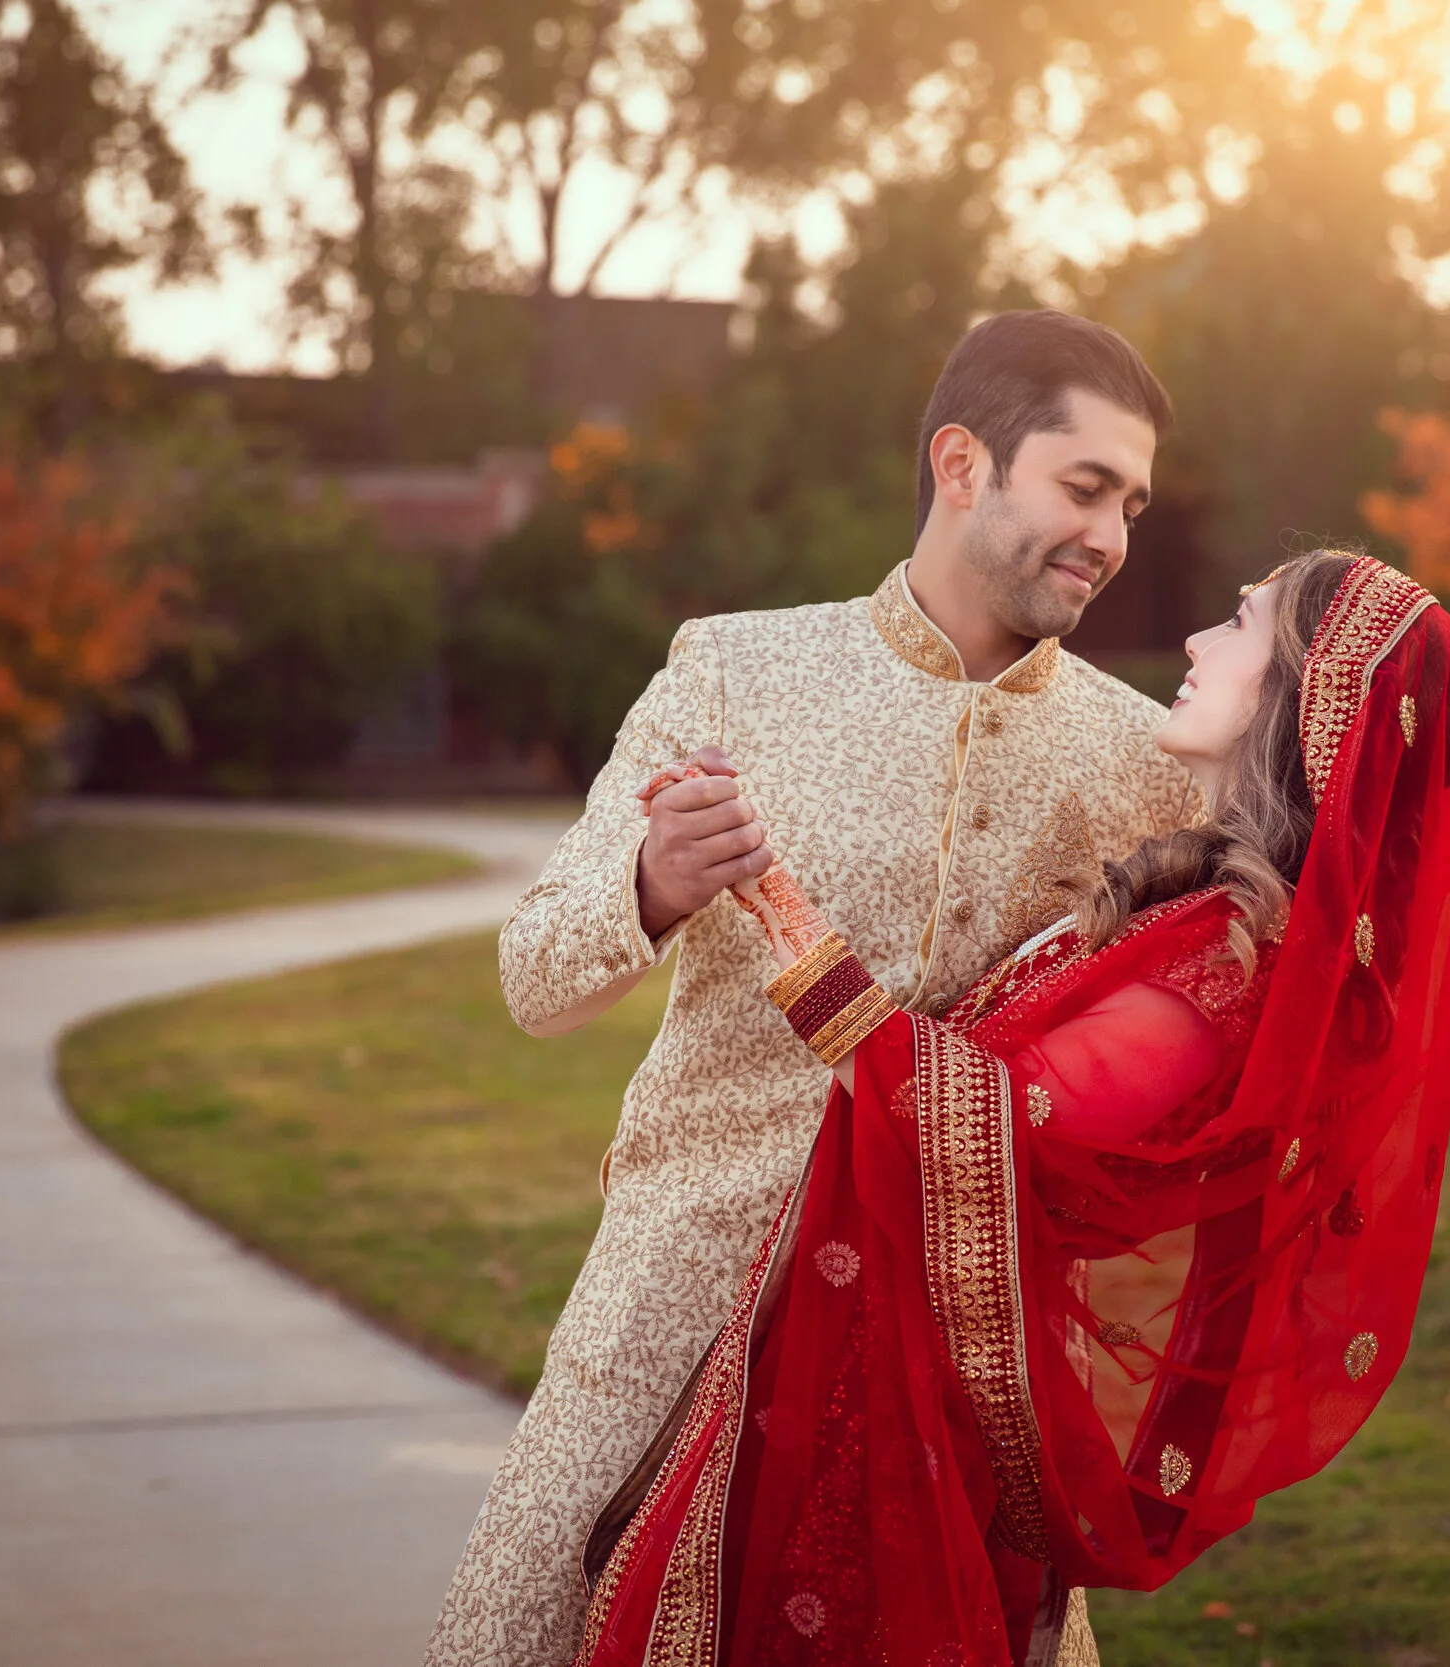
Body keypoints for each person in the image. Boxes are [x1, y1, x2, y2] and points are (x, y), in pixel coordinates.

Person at [427, 312, 1201, 1667]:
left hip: (945, 1352)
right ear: (965, 463)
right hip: (683, 1297)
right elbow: (535, 975)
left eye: (1131, 504)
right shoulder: (739, 669)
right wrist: (655, 880)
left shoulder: (1140, 759)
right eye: (1086, 488)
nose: (1113, 537)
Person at [570, 551, 1450, 1664]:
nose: (1199, 643)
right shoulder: (1201, 908)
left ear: (1305, 698)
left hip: (903, 1426)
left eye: (1240, 624)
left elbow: (994, 1125)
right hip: (867, 1372)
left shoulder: (1233, 956)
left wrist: (771, 899)